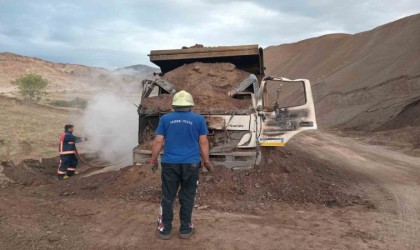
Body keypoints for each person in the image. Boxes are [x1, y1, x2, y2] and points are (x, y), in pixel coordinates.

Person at [150, 90, 214, 240]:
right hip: (191, 164)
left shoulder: (165, 119)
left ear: (174, 105)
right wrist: (206, 161)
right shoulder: (198, 119)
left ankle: (165, 229)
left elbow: (158, 141)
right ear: (191, 105)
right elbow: (203, 141)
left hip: (170, 164)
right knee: (187, 197)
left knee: (167, 196)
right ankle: (185, 229)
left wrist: (153, 160)